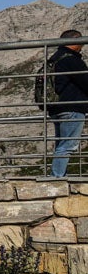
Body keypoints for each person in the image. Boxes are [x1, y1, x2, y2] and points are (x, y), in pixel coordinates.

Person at [47, 29, 88, 178]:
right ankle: (57, 177)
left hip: (56, 108)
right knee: (68, 145)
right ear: (75, 41)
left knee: (61, 145)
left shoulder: (54, 58)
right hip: (72, 107)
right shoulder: (71, 60)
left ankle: (58, 175)